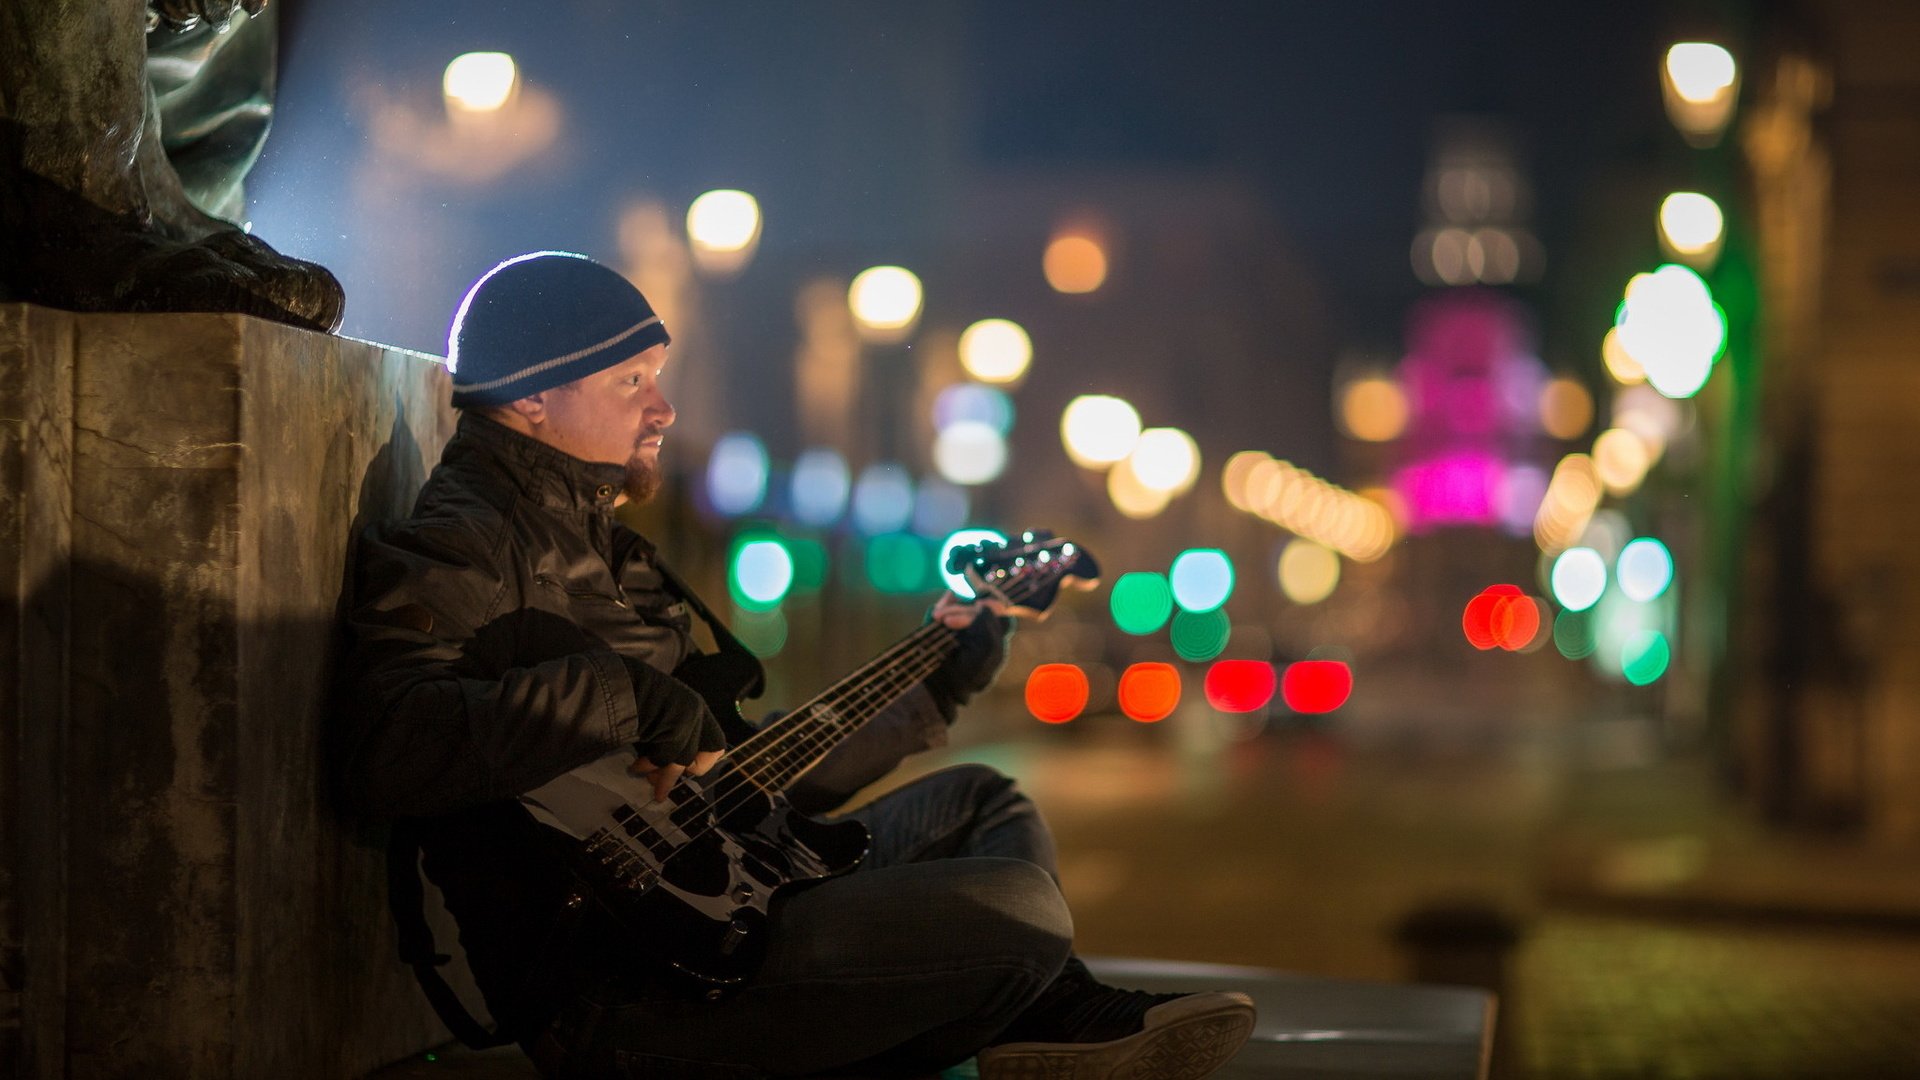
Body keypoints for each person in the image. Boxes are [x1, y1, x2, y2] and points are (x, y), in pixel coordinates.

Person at [338, 251, 1256, 1079]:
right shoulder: (464, 543)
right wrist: (628, 696)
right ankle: (1054, 1015)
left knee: (981, 802)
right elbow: (390, 745)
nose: (662, 409)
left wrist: (942, 674)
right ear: (532, 396)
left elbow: (743, 785)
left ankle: (1044, 1018)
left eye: (657, 379)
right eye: (631, 382)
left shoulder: (608, 552)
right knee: (1019, 907)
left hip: (723, 916)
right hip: (631, 991)